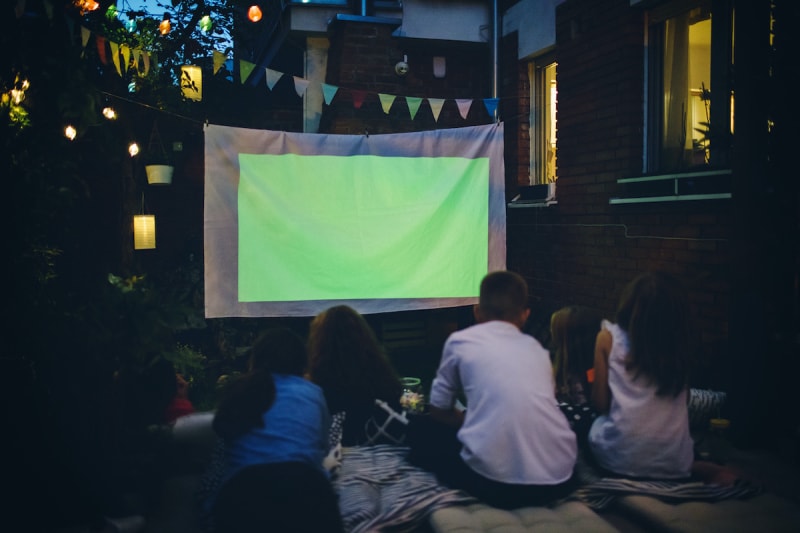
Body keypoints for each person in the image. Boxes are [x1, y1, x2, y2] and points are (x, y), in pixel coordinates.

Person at [410, 270, 578, 510]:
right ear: (525, 316)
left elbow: (438, 411)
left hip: (495, 486)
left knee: (421, 429)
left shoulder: (460, 342)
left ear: (477, 312)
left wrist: (471, 421)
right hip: (561, 479)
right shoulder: (538, 351)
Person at [206, 327, 333, 527]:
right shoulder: (312, 393)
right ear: (301, 362)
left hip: (242, 496)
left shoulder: (238, 391)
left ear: (255, 358)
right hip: (307, 492)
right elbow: (323, 447)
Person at [588, 271, 694, 479]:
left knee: (586, 424)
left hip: (618, 461)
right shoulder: (681, 344)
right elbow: (687, 400)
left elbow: (600, 404)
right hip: (676, 465)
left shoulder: (608, 338)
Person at [306, 305, 404, 446]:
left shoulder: (312, 389)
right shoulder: (382, 378)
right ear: (365, 336)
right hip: (377, 454)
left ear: (318, 341)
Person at [550, 305, 602, 448]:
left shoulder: (590, 371)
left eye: (555, 332)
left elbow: (588, 407)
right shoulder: (561, 363)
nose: (551, 334)